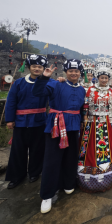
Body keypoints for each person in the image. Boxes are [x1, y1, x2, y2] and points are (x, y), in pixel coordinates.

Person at [32, 59, 86, 214]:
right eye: (70, 71)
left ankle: (68, 183)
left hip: (74, 126)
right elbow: (37, 93)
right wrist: (44, 77)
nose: (74, 73)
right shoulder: (56, 84)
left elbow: (82, 109)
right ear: (66, 72)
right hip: (56, 126)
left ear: (80, 73)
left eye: (76, 71)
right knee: (52, 160)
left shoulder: (82, 89)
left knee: (70, 157)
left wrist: (82, 122)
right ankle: (47, 195)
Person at [78, 56, 112, 193]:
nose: (104, 80)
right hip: (93, 123)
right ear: (97, 78)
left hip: (108, 122)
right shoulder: (90, 90)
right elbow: (85, 107)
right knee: (90, 145)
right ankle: (89, 171)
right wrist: (84, 120)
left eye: (106, 78)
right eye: (102, 78)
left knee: (111, 145)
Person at [5, 55, 49, 190]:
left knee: (37, 149)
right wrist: (9, 119)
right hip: (21, 122)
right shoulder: (18, 83)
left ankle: (34, 173)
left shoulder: (48, 83)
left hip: (39, 121)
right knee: (18, 150)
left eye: (39, 67)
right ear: (29, 68)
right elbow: (11, 102)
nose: (37, 68)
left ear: (43, 69)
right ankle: (17, 176)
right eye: (34, 66)